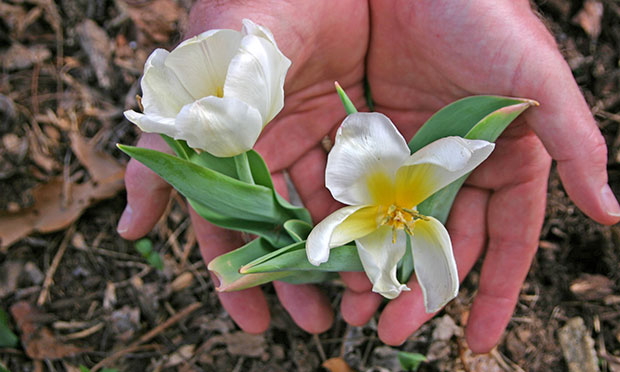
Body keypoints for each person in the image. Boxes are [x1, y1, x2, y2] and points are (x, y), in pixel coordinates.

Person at [116, 0, 620, 353]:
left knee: (374, 258)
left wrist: (387, 274)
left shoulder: (418, 198)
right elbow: (333, 230)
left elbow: (458, 158)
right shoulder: (399, 197)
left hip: (383, 208)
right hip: (376, 205)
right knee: (300, 226)